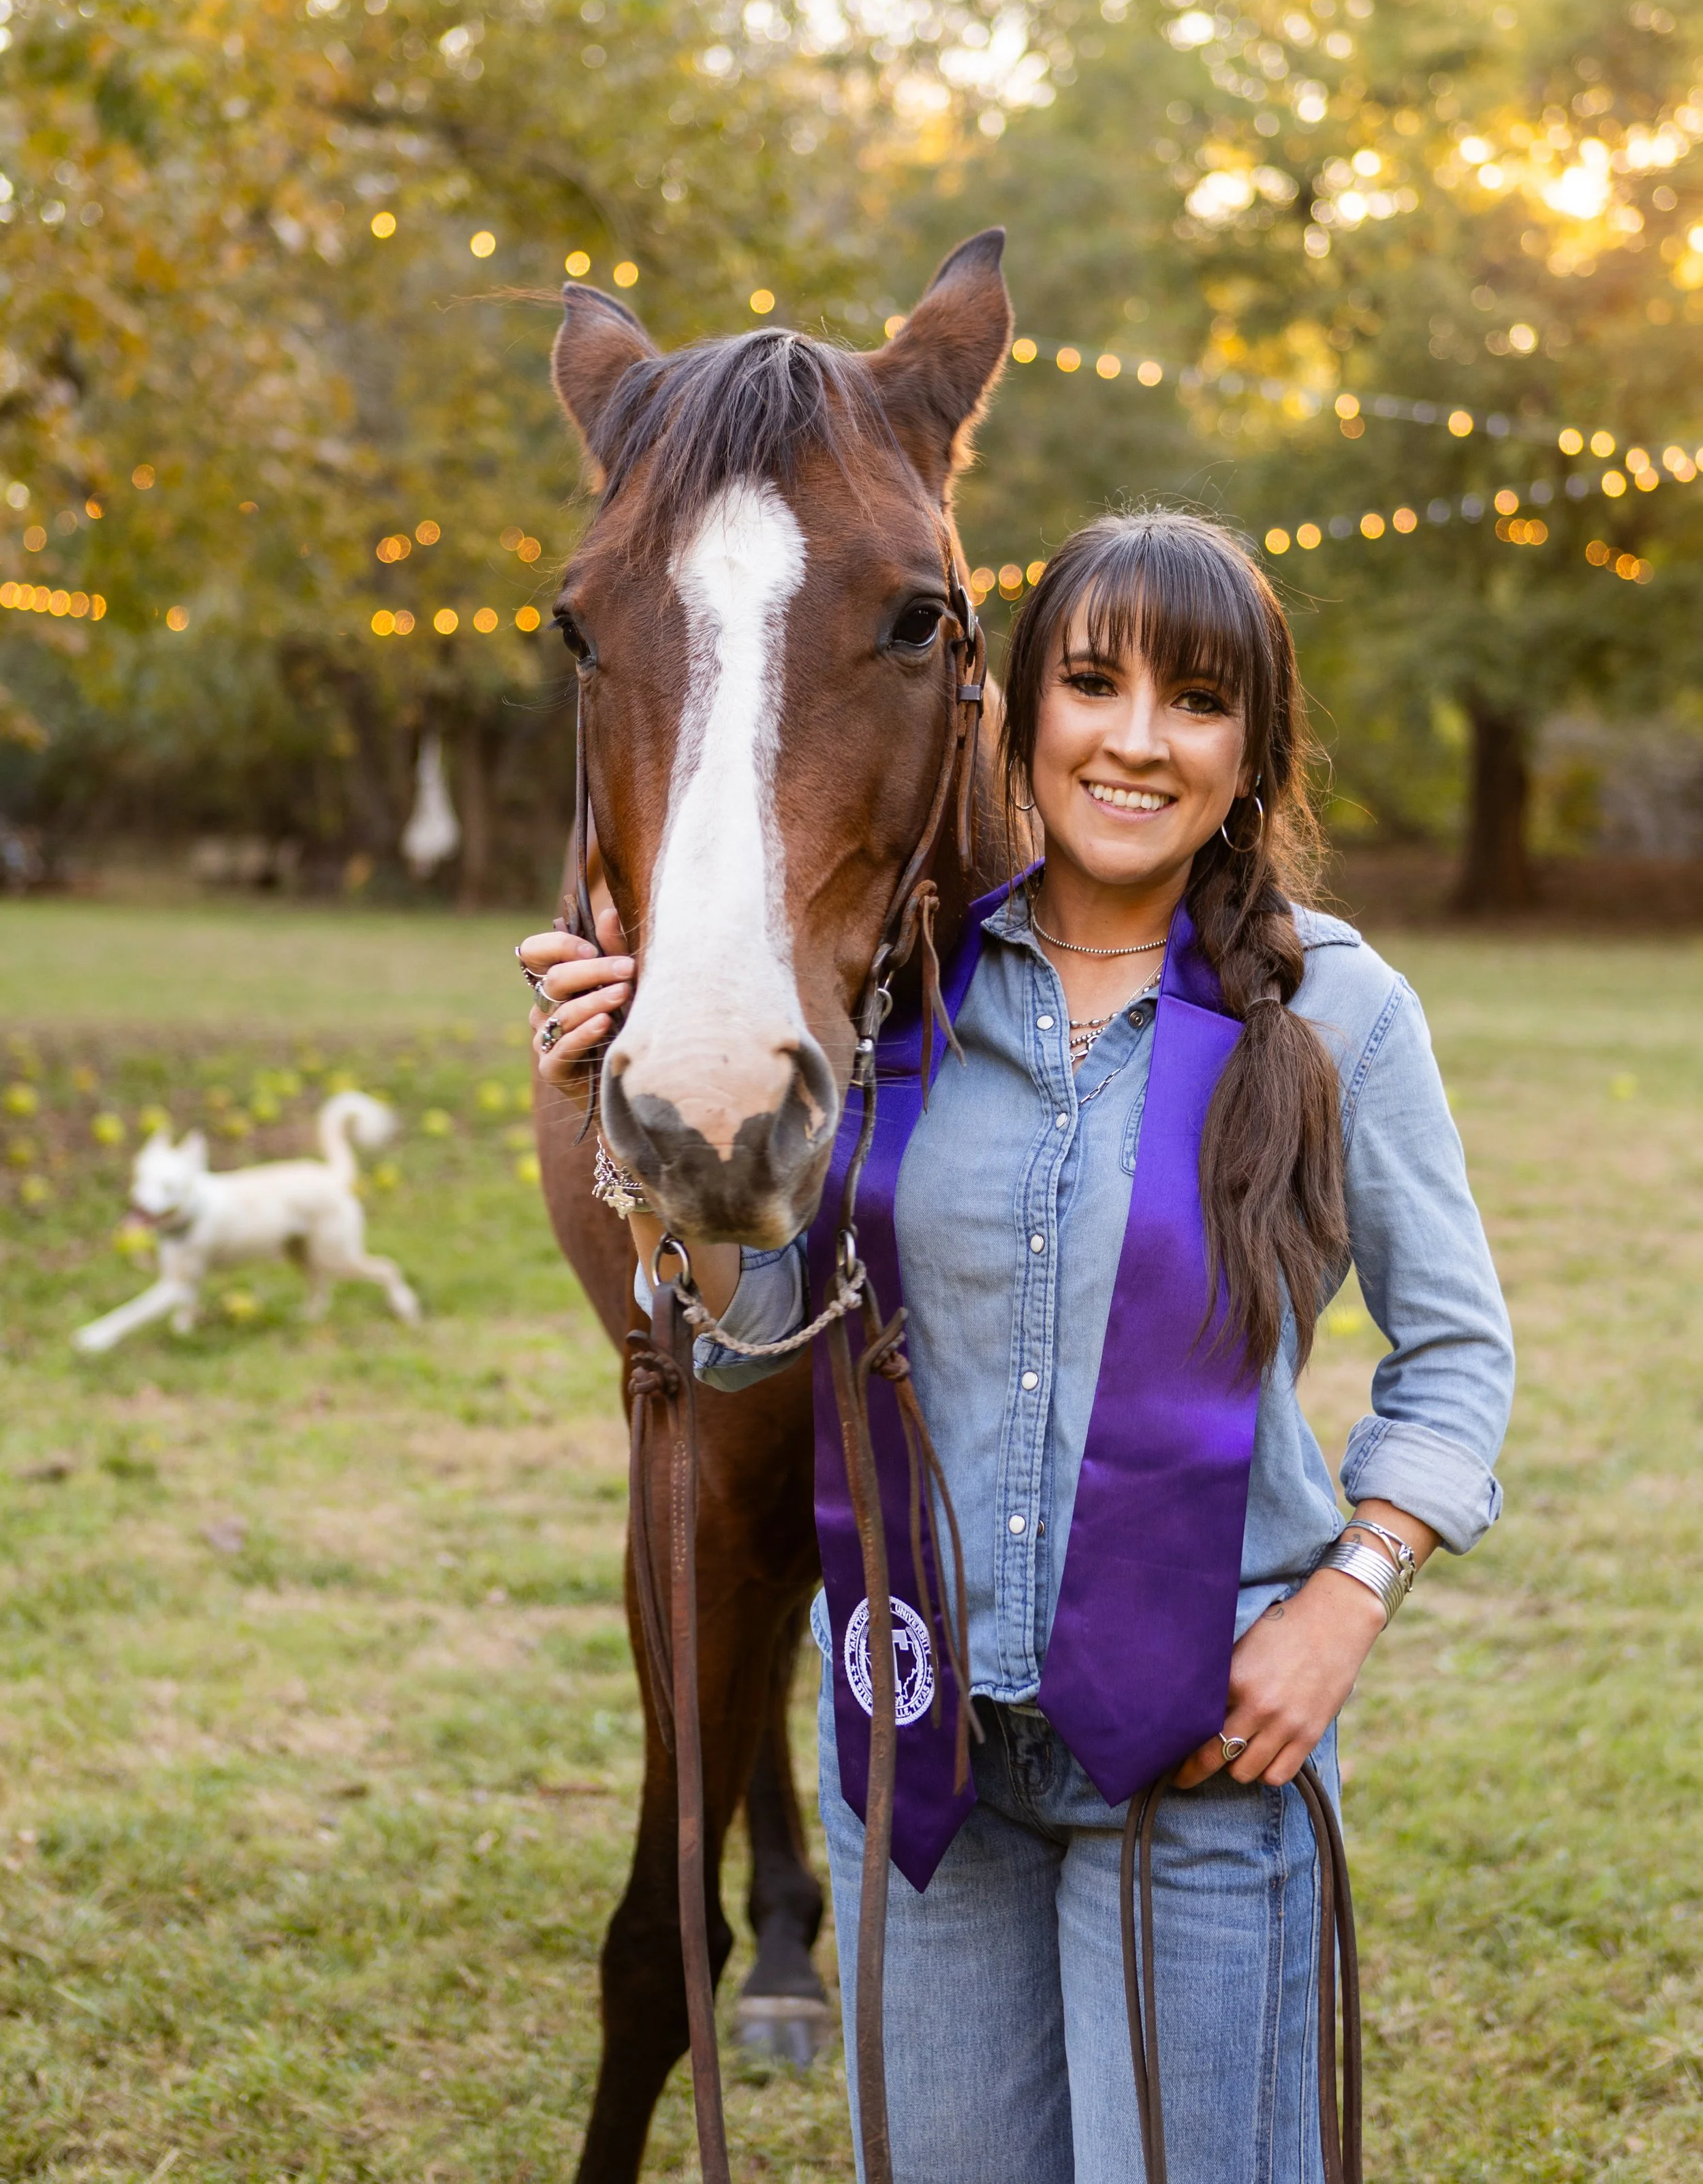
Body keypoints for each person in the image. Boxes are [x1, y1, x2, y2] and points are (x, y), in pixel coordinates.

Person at [522, 509, 1514, 2184]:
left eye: (1194, 701)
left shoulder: (1339, 1011)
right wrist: (650, 1150)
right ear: (1008, 707)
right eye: (1091, 683)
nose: (1134, 741)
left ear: (1251, 747)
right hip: (921, 1760)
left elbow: (1455, 1355)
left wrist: (1347, 1596)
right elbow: (762, 1336)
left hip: (1199, 1751)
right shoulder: (902, 1008)